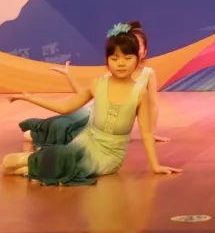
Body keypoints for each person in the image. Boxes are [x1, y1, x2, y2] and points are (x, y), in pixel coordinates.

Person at [1, 23, 181, 185]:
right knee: (63, 153)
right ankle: (32, 164)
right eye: (115, 58)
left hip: (110, 155)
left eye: (127, 58)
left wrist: (155, 166)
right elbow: (65, 108)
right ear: (107, 61)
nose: (121, 63)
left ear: (137, 59)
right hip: (86, 141)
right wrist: (30, 97)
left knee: (69, 162)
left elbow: (146, 134)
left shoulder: (140, 93)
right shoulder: (97, 84)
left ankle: (30, 166)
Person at [19, 20, 167, 146]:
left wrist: (151, 132)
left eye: (137, 47)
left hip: (102, 126)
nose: (132, 50)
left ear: (144, 51)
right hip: (89, 115)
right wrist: (69, 76)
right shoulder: (114, 73)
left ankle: (41, 129)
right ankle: (40, 126)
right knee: (55, 127)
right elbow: (85, 95)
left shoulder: (148, 74)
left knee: (60, 132)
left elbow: (153, 106)